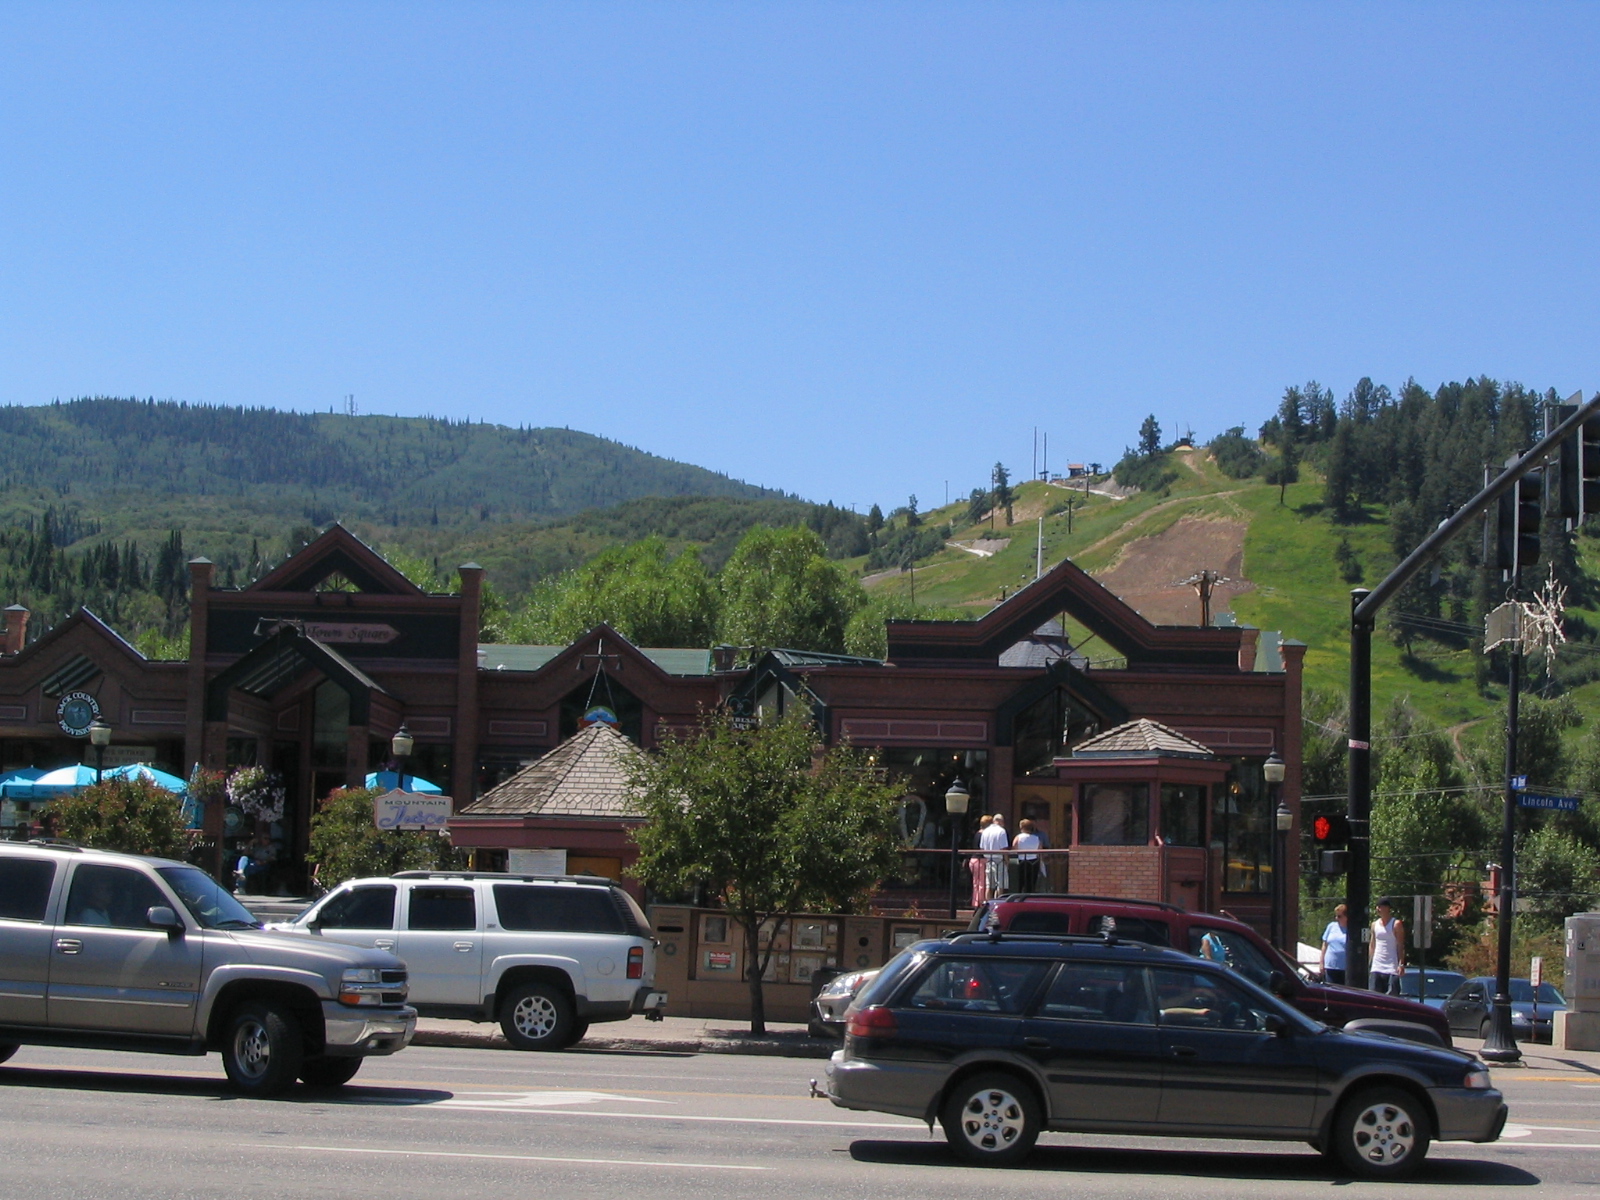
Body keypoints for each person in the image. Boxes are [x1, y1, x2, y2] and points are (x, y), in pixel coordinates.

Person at [1369, 897, 1406, 995]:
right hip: (1377, 966)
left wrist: (1401, 964)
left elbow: (1400, 945)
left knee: (1391, 996)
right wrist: (1370, 961)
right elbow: (1372, 944)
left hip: (1391, 967)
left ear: (1387, 908)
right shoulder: (1374, 925)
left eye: (1380, 907)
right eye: (1377, 907)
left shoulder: (1396, 924)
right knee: (1374, 996)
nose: (1378, 909)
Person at [979, 812, 1009, 897]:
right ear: (1001, 821)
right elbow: (1004, 849)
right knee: (1000, 885)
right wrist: (1007, 861)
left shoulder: (985, 831)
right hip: (999, 860)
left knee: (989, 886)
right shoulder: (1001, 831)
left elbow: (982, 848)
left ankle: (988, 905)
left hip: (988, 860)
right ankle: (997, 903)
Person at [1319, 903, 1349, 985]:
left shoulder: (1351, 929)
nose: (1336, 918)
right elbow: (1324, 945)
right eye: (1336, 916)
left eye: (1339, 916)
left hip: (1345, 968)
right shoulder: (1331, 926)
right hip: (1330, 966)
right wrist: (1321, 963)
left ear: (1346, 917)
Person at [1012, 818, 1042, 893]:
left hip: (1022, 861)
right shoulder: (1036, 838)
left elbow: (1014, 848)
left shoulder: (1018, 837)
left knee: (1021, 882)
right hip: (1034, 862)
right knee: (1031, 883)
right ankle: (1030, 897)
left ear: (1021, 827)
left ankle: (1019, 897)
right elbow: (1040, 850)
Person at [968, 815, 993, 907]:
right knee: (982, 883)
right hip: (981, 860)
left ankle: (975, 901)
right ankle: (980, 903)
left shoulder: (977, 833)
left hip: (973, 859)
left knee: (976, 882)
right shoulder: (984, 834)